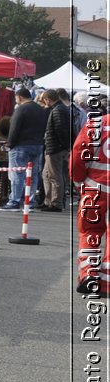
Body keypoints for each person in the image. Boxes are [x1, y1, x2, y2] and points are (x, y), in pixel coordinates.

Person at [69, 94, 109, 294]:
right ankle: (107, 282)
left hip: (94, 189)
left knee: (89, 232)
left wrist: (78, 181)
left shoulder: (96, 125)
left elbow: (78, 154)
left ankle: (89, 274)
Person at [1, 87, 46, 210]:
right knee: (33, 175)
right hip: (37, 145)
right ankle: (29, 201)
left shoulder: (21, 109)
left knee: (17, 173)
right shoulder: (40, 109)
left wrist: (9, 143)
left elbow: (14, 128)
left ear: (19, 97)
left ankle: (14, 201)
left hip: (21, 146)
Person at [41, 88, 74, 211]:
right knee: (47, 175)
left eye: (45, 100)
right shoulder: (60, 109)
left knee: (54, 176)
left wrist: (63, 146)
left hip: (55, 148)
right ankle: (49, 200)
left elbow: (61, 130)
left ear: (48, 99)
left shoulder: (57, 110)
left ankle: (56, 203)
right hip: (55, 147)